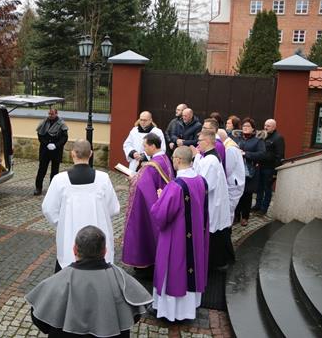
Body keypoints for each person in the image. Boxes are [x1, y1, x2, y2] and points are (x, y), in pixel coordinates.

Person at [25, 225, 152, 337]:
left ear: (74, 250)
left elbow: (41, 321)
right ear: (105, 251)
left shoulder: (56, 282)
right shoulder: (122, 280)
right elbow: (134, 315)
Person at [150, 146, 209, 322]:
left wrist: (161, 198)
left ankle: (170, 313)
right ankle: (187, 310)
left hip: (176, 238)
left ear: (177, 160)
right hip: (195, 237)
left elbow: (161, 215)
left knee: (173, 270)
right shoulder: (201, 181)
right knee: (189, 270)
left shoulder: (175, 186)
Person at [42, 139, 120, 272]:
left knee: (67, 275)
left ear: (72, 154)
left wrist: (62, 223)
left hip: (70, 237)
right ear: (91, 154)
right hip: (98, 236)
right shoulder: (103, 178)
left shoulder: (59, 180)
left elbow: (48, 209)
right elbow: (113, 209)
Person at [122, 133, 174, 272]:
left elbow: (141, 186)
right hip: (162, 201)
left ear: (152, 145)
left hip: (150, 205)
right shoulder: (165, 158)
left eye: (145, 146)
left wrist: (133, 178)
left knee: (144, 231)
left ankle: (145, 263)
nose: (143, 149)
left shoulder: (152, 166)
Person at [191, 130, 234, 269]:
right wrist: (197, 157)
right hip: (215, 201)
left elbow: (205, 185)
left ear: (208, 141)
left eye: (200, 141)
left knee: (214, 232)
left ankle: (216, 263)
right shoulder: (209, 157)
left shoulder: (211, 160)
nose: (198, 144)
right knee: (217, 231)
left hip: (213, 202)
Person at [232, 118, 266, 226]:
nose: (245, 128)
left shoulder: (258, 140)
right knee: (237, 194)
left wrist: (246, 154)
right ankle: (236, 216)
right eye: (244, 126)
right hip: (236, 171)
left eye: (248, 126)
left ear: (253, 129)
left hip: (249, 172)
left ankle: (245, 217)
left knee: (247, 195)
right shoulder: (237, 138)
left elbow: (262, 154)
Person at [253, 119, 285, 215]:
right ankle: (257, 205)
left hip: (270, 168)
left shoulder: (278, 138)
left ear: (274, 127)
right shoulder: (263, 136)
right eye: (265, 125)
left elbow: (280, 156)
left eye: (268, 126)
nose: (266, 127)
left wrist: (275, 172)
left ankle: (264, 209)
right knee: (259, 188)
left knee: (267, 189)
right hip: (260, 166)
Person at [35, 108, 69, 195]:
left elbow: (64, 138)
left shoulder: (61, 124)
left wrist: (56, 145)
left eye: (52, 114)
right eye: (49, 114)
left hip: (56, 151)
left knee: (55, 171)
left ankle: (52, 189)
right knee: (42, 169)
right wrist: (46, 144)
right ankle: (38, 188)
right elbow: (40, 135)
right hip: (45, 150)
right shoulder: (44, 122)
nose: (50, 115)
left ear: (56, 113)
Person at [218, 129, 246, 221]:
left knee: (228, 211)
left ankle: (227, 230)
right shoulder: (228, 145)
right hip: (232, 182)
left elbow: (227, 169)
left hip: (233, 183)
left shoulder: (229, 148)